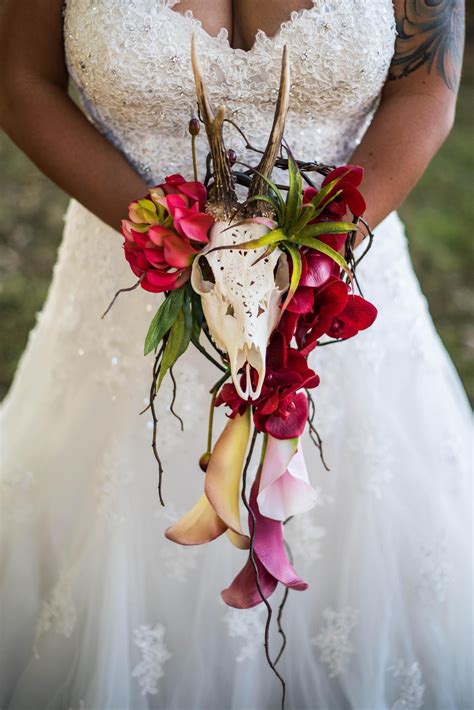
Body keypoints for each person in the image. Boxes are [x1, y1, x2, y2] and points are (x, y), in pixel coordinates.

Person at [0, 1, 471, 708]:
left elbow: (425, 88)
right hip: (122, 308)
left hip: (340, 313)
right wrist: (181, 249)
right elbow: (21, 81)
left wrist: (308, 265)